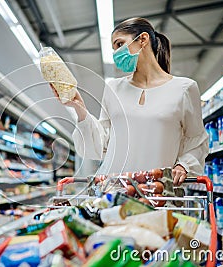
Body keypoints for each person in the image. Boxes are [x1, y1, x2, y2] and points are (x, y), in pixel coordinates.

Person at [50, 17, 209, 186]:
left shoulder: (184, 88)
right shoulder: (113, 88)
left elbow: (197, 141)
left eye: (119, 44)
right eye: (114, 48)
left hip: (158, 192)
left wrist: (184, 165)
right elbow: (101, 144)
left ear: (143, 39)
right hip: (114, 191)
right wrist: (79, 108)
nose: (116, 54)